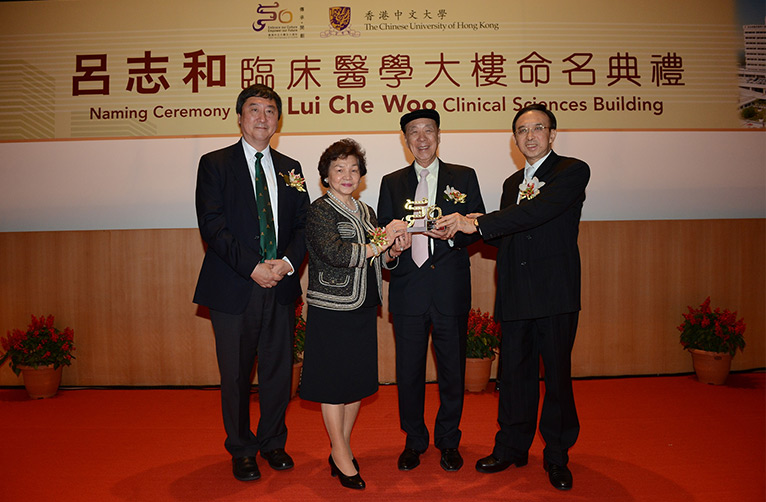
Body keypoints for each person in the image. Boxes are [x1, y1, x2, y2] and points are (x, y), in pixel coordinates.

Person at [438, 103, 590, 490]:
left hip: (554, 293)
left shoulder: (572, 171)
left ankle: (556, 455)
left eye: (538, 128)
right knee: (513, 374)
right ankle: (511, 447)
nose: (530, 135)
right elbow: (507, 234)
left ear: (552, 135)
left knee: (556, 377)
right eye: (522, 130)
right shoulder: (510, 184)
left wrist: (474, 222)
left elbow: (535, 214)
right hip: (516, 293)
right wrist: (454, 230)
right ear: (515, 139)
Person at [193, 84, 310, 482]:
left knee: (278, 372)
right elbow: (212, 224)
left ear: (279, 120)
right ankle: (242, 448)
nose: (263, 118)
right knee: (237, 374)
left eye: (270, 111)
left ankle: (273, 441)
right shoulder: (215, 164)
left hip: (280, 285)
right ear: (240, 117)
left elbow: (302, 226)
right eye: (254, 110)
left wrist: (287, 264)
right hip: (234, 287)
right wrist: (254, 267)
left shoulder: (291, 168)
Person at [377, 109, 486, 472]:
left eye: (428, 131)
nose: (421, 138)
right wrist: (393, 248)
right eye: (413, 132)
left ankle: (448, 440)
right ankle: (414, 440)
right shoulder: (391, 182)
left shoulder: (464, 176)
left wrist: (456, 235)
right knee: (408, 372)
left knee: (452, 370)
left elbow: (480, 225)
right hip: (408, 290)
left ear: (439, 136)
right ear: (405, 140)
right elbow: (381, 241)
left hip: (449, 288)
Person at [300, 139, 408, 490]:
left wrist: (392, 251)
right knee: (333, 383)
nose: (347, 175)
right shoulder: (319, 211)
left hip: (363, 305)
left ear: (361, 175)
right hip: (332, 307)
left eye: (353, 169)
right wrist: (380, 243)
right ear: (326, 176)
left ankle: (339, 447)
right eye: (339, 169)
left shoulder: (367, 212)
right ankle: (343, 453)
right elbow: (336, 253)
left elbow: (378, 260)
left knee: (356, 382)